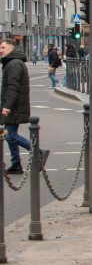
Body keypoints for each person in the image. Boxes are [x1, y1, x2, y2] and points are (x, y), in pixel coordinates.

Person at [0, 39, 48, 174]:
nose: (0, 50)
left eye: (3, 47)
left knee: (9, 135)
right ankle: (16, 164)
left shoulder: (14, 64)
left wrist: (7, 106)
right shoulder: (12, 62)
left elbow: (13, 87)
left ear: (11, 48)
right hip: (14, 105)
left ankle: (39, 152)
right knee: (10, 134)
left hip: (14, 106)